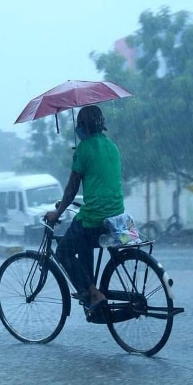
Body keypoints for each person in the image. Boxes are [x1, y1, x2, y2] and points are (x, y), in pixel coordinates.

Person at [44, 105, 125, 317]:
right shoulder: (112, 146)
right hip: (117, 216)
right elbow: (103, 181)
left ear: (82, 127)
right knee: (80, 236)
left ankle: (92, 293)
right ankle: (90, 292)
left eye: (79, 125)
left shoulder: (84, 149)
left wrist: (57, 213)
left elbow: (71, 190)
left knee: (63, 250)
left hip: (96, 218)